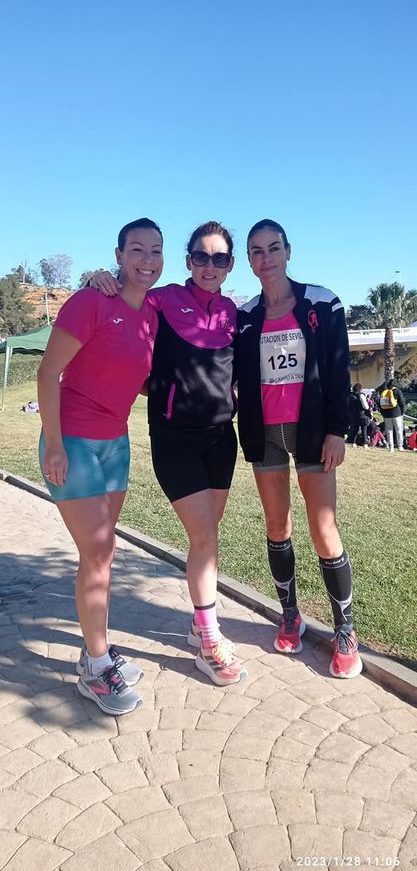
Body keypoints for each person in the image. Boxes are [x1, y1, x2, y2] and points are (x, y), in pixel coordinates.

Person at [90, 221, 247, 687]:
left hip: (221, 439)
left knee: (207, 540)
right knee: (205, 538)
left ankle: (200, 625)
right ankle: (209, 640)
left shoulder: (231, 312)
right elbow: (119, 308)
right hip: (174, 440)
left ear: (230, 265)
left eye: (219, 259)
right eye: (201, 256)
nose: (209, 266)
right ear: (187, 260)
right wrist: (100, 279)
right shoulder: (162, 300)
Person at [37, 218, 164, 715]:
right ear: (118, 255)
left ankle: (98, 650)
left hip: (116, 443)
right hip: (72, 441)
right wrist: (53, 445)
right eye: (137, 250)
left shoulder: (152, 312)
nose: (146, 260)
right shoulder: (92, 301)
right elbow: (48, 372)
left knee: (102, 555)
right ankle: (94, 668)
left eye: (155, 251)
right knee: (98, 549)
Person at [236, 219, 362, 678]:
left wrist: (338, 430)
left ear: (288, 252)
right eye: (256, 251)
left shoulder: (322, 303)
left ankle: (345, 630)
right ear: (249, 261)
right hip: (265, 432)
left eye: (273, 248)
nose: (266, 258)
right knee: (277, 526)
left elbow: (338, 370)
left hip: (312, 431)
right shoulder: (244, 315)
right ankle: (290, 615)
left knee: (323, 528)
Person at [377, 378, 406, 451]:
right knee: (399, 430)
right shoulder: (397, 391)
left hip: (387, 415)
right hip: (397, 414)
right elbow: (402, 402)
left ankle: (391, 447)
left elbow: (379, 404)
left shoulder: (384, 392)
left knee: (389, 431)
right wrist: (402, 412)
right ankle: (400, 446)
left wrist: (383, 414)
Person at [347, 383, 371, 448]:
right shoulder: (361, 395)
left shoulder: (350, 396)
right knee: (364, 429)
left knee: (355, 429)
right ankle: (365, 444)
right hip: (362, 414)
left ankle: (354, 443)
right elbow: (366, 407)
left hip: (354, 414)